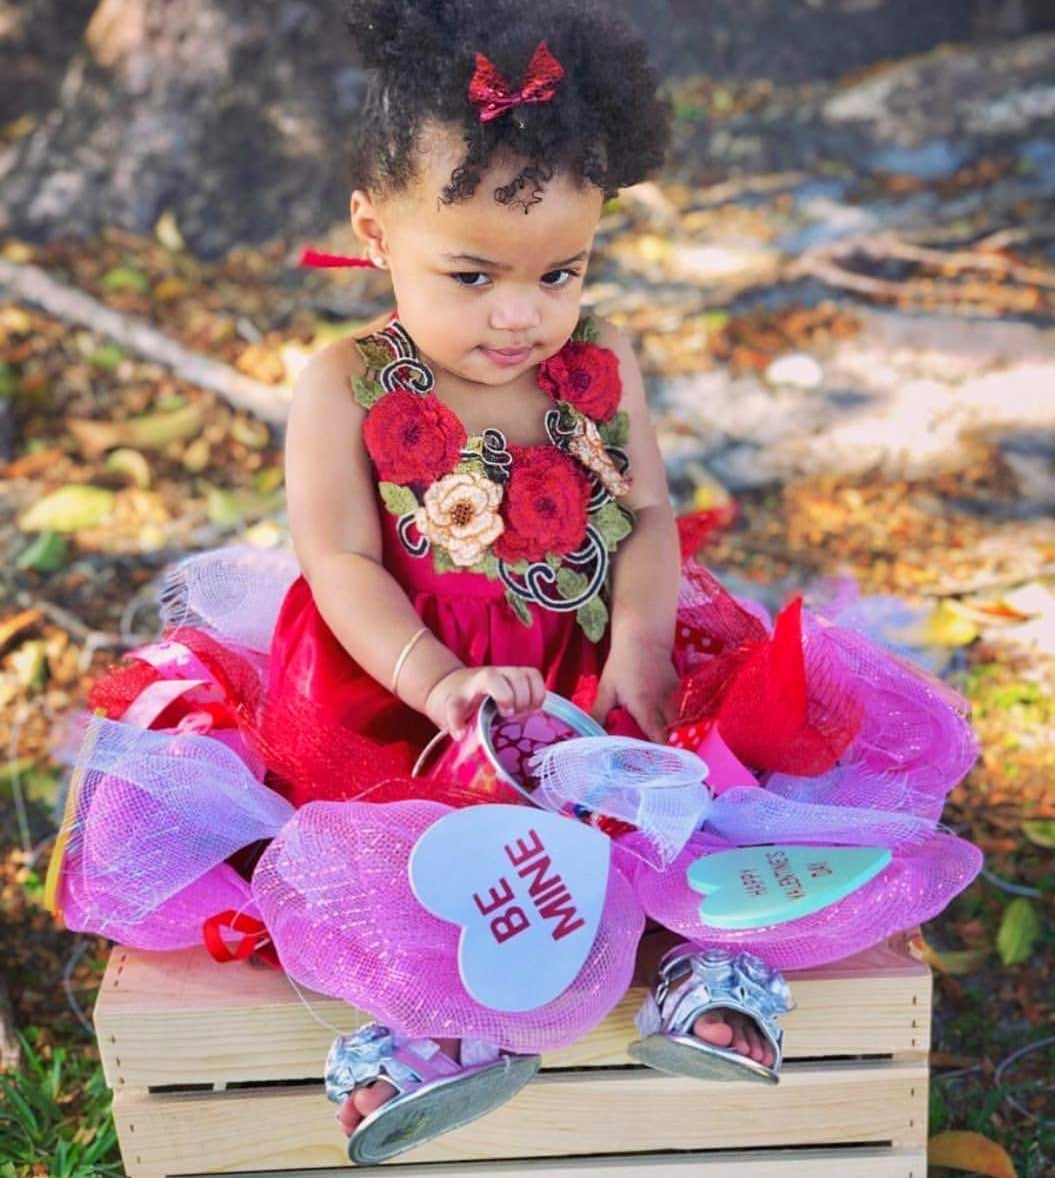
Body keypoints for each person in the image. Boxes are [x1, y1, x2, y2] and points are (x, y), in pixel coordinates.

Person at [52, 0, 981, 1165]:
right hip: (409, 700)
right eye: (473, 270)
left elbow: (645, 515)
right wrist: (429, 675)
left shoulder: (595, 368)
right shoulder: (344, 379)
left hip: (593, 666)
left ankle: (708, 974)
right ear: (373, 229)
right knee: (410, 851)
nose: (518, 311)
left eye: (561, 272)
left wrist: (642, 640)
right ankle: (419, 1035)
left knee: (695, 795)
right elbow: (338, 557)